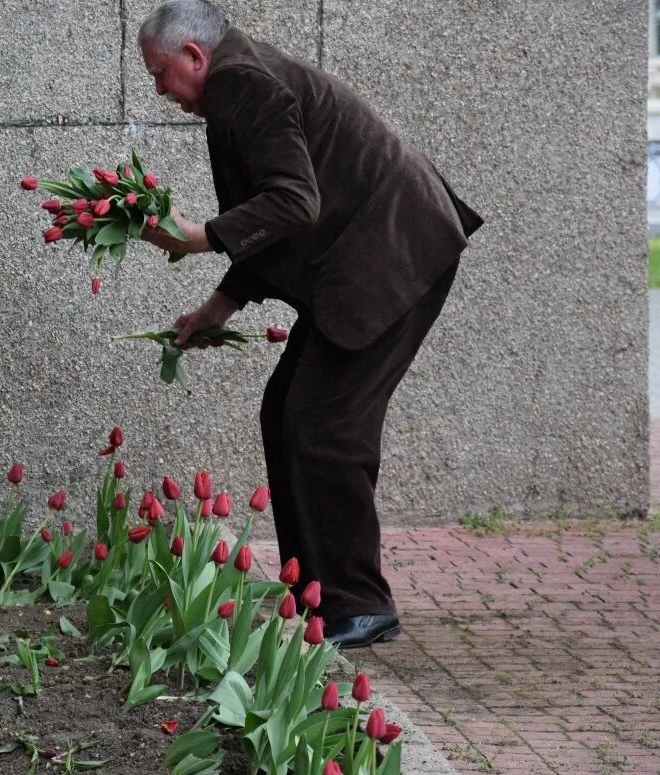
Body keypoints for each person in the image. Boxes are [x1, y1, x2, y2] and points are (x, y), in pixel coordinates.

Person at [138, 0, 484, 648]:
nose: (159, 90)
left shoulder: (243, 82)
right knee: (287, 414)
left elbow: (293, 202)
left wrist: (199, 237)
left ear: (194, 56)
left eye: (160, 73)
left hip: (395, 254)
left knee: (325, 426)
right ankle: (315, 594)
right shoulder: (236, 81)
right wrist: (221, 304)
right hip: (372, 253)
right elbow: (273, 210)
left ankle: (358, 603)